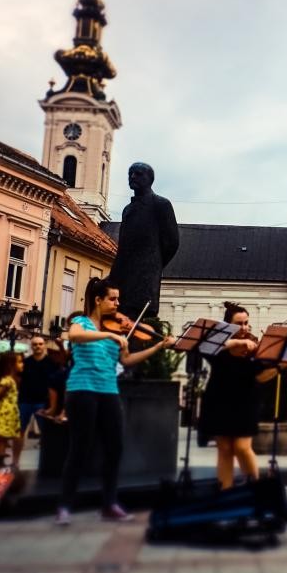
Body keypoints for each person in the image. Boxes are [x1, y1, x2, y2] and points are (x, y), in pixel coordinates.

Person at [56, 276, 175, 526]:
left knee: (115, 447)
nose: (117, 304)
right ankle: (65, 506)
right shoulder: (82, 323)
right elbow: (75, 336)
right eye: (113, 299)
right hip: (81, 390)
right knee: (79, 448)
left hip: (109, 390)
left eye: (118, 299)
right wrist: (106, 336)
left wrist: (157, 347)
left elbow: (127, 361)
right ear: (98, 300)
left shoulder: (116, 330)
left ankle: (109, 504)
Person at [199, 302, 261, 490]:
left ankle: (256, 491)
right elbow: (202, 348)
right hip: (219, 400)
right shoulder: (219, 346)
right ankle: (225, 493)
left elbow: (262, 373)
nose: (244, 328)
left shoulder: (254, 347)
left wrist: (280, 365)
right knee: (224, 449)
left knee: (242, 447)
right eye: (238, 324)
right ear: (228, 326)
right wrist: (237, 342)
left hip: (245, 401)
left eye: (246, 323)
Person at [107, 162, 180, 318]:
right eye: (130, 173)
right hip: (123, 280)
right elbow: (123, 249)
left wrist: (152, 264)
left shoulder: (161, 204)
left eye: (138, 174)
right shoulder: (128, 209)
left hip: (145, 281)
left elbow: (172, 242)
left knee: (139, 322)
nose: (133, 176)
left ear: (150, 179)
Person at [15, 335, 54, 464]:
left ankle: (45, 461)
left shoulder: (50, 363)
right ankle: (15, 461)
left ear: (44, 346)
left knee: (46, 432)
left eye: (40, 344)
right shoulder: (26, 362)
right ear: (31, 346)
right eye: (35, 344)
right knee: (19, 431)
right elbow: (18, 380)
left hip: (42, 402)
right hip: (25, 401)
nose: (38, 346)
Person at [0, 353, 22, 466]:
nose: (22, 364)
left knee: (2, 439)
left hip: (8, 412)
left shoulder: (12, 380)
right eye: (19, 362)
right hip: (4, 413)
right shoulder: (7, 380)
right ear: (10, 365)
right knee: (2, 439)